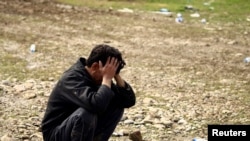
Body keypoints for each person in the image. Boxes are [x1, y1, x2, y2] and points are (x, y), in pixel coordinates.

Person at [41, 44, 136, 141]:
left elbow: (128, 101)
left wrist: (116, 75)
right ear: (95, 66)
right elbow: (96, 105)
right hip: (56, 134)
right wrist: (106, 78)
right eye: (108, 73)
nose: (109, 77)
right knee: (87, 112)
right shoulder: (72, 78)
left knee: (117, 105)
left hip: (77, 131)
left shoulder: (100, 79)